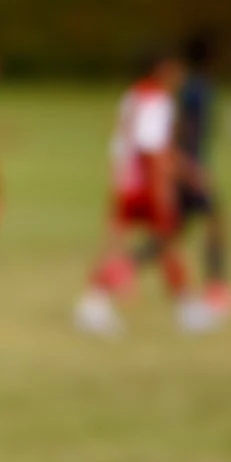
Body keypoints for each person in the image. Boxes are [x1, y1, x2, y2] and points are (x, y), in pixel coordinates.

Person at [75, 50, 188, 339]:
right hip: (145, 183)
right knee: (163, 241)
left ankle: (95, 303)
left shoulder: (133, 95)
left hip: (126, 180)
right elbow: (150, 149)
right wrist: (163, 189)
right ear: (162, 68)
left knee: (129, 243)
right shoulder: (157, 99)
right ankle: (184, 308)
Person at [164, 31, 231, 327]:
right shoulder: (198, 90)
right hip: (190, 170)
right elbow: (187, 131)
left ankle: (120, 271)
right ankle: (216, 292)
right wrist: (192, 168)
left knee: (169, 234)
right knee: (213, 224)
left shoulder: (191, 87)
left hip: (185, 168)